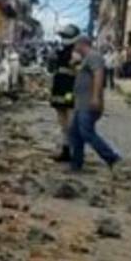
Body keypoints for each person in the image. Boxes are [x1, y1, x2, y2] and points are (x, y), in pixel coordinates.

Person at [67, 34, 120, 172]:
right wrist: (73, 64)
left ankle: (111, 157)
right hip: (81, 103)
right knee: (75, 133)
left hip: (88, 102)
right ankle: (76, 164)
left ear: (81, 44)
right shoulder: (85, 59)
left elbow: (98, 75)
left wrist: (96, 97)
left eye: (75, 44)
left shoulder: (93, 56)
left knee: (86, 132)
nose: (74, 47)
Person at [46, 25, 80, 162]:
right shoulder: (60, 51)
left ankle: (74, 150)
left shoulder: (76, 53)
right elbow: (51, 68)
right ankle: (66, 150)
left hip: (69, 90)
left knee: (70, 117)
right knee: (62, 120)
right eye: (63, 36)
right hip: (59, 88)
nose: (64, 39)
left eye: (66, 36)